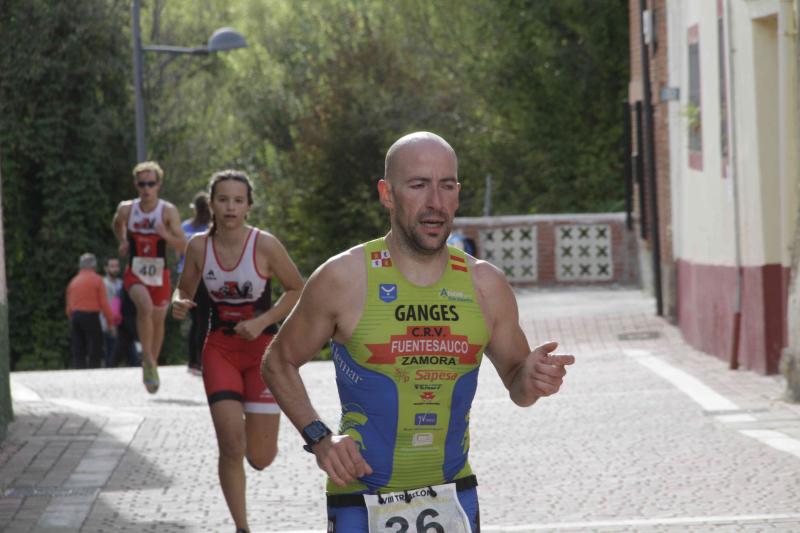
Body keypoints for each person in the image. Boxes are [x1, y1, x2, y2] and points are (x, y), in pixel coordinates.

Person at [262, 132, 575, 532]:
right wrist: (320, 438)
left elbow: (518, 384)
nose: (435, 202)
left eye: (447, 186)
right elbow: (278, 361)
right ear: (387, 194)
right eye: (418, 185)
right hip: (361, 499)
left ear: (458, 194)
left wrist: (532, 379)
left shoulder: (485, 285)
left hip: (453, 492)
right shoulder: (344, 277)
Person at [172, 170, 304, 533]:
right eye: (223, 199)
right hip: (220, 350)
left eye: (238, 200)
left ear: (248, 206)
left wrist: (262, 323)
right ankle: (242, 527)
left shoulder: (265, 245)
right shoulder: (199, 246)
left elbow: (296, 289)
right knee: (230, 445)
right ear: (211, 204)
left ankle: (255, 427)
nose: (230, 207)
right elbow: (183, 290)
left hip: (262, 353)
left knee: (260, 457)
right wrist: (179, 303)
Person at [112, 161, 186, 393]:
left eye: (151, 183)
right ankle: (148, 359)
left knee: (157, 318)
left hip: (160, 272)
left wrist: (165, 234)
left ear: (158, 185)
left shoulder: (167, 211)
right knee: (144, 307)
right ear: (136, 185)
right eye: (142, 184)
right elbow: (116, 223)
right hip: (135, 271)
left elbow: (183, 244)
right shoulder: (127, 209)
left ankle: (151, 362)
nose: (146, 188)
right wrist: (123, 240)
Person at [179, 191, 212, 373]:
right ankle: (201, 360)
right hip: (203, 277)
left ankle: (193, 360)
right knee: (204, 320)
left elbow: (179, 253)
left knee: (195, 320)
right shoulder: (211, 228)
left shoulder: (185, 227)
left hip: (185, 276)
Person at [66, 253, 115, 369]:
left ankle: (79, 371)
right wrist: (110, 323)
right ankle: (94, 371)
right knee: (95, 347)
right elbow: (104, 303)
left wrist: (71, 318)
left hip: (76, 316)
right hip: (91, 316)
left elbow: (68, 306)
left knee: (78, 348)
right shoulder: (97, 280)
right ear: (94, 266)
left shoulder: (73, 281)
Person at [100, 257, 124, 367]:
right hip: (106, 322)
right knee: (109, 351)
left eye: (117, 266)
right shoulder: (102, 283)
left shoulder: (122, 283)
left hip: (120, 322)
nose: (115, 269)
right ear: (106, 268)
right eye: (112, 266)